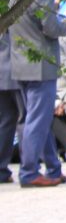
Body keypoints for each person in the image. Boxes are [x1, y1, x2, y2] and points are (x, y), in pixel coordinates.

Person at [9, 0, 66, 187]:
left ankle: (53, 167)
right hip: (40, 66)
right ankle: (29, 172)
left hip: (20, 64)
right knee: (37, 121)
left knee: (39, 119)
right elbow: (51, 28)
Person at [0, 28, 21, 184]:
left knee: (7, 121)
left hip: (4, 72)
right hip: (16, 71)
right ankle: (30, 168)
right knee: (27, 119)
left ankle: (1, 170)